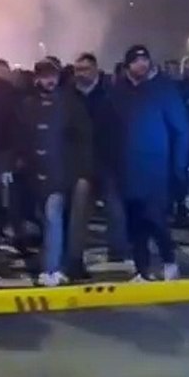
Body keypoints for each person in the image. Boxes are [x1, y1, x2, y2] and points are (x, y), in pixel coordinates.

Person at [107, 45, 189, 282]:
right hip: (126, 170)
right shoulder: (117, 93)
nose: (141, 64)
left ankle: (169, 261)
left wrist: (178, 165)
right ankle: (141, 269)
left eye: (145, 60)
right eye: (136, 60)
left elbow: (181, 130)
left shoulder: (163, 90)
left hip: (157, 169)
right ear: (127, 66)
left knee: (156, 219)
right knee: (135, 225)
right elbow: (107, 132)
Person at [13, 60, 94, 285]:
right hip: (33, 173)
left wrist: (79, 168)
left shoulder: (70, 104)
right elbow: (20, 138)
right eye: (44, 76)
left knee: (53, 216)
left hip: (59, 172)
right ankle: (52, 263)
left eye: (53, 76)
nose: (49, 80)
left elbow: (83, 137)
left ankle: (52, 267)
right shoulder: (27, 105)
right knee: (44, 218)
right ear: (36, 79)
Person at [71, 52, 131, 267]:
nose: (81, 74)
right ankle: (75, 257)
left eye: (85, 69)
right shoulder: (71, 97)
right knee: (79, 212)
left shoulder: (110, 95)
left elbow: (120, 129)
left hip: (107, 163)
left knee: (115, 209)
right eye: (77, 70)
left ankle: (118, 251)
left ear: (95, 69)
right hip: (80, 165)